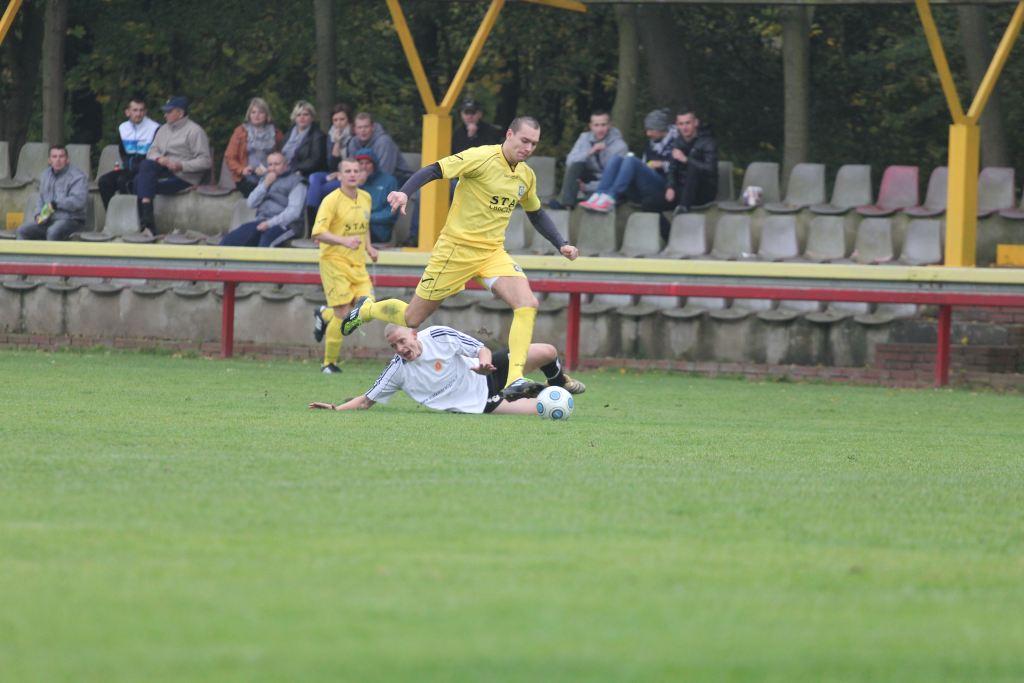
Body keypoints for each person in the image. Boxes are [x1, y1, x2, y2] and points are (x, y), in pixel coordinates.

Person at [340, 116, 581, 402]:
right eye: (524, 141)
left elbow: (536, 212)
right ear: (509, 134)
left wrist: (561, 243)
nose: (528, 148)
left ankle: (515, 378)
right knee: (412, 317)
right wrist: (404, 193)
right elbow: (435, 169)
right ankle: (367, 310)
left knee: (527, 303)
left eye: (534, 144)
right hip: (456, 251)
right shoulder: (480, 158)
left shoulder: (525, 176)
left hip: (492, 252)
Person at [309, 324, 585, 415]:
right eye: (394, 346)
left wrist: (484, 363)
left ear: (414, 334)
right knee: (545, 409)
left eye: (402, 341)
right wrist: (335, 409)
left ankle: (559, 382)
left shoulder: (438, 335)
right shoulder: (397, 370)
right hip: (483, 402)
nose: (401, 348)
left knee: (547, 351)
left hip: (488, 372)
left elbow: (480, 348)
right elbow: (366, 400)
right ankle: (543, 392)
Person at [310, 158, 379, 374]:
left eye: (355, 171)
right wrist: (344, 241)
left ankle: (324, 315)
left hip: (358, 264)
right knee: (342, 313)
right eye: (347, 171)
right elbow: (318, 233)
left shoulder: (366, 197)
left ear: (361, 174)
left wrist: (369, 247)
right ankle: (328, 364)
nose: (352, 174)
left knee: (367, 308)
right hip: (334, 262)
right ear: (339, 175)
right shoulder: (331, 201)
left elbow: (363, 226)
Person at [134, 96, 212, 234]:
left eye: (169, 112)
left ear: (180, 113)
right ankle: (148, 223)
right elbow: (151, 151)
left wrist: (181, 165)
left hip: (184, 175)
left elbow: (205, 161)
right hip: (164, 168)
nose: (165, 115)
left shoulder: (195, 131)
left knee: (139, 183)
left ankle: (146, 225)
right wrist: (159, 159)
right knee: (146, 165)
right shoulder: (163, 129)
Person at [578, 108, 678, 214]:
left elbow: (681, 168)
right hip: (645, 186)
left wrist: (663, 164)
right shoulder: (651, 143)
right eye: (647, 130)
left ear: (661, 129)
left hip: (665, 188)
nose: (648, 134)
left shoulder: (676, 143)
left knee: (631, 160)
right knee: (617, 159)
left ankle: (611, 197)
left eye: (651, 130)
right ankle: (599, 194)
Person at [218, 152, 306, 248]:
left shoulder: (297, 182)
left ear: (286, 165)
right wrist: (265, 185)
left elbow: (293, 212)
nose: (273, 168)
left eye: (277, 164)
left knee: (264, 244)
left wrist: (269, 224)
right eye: (270, 165)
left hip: (286, 226)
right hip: (261, 221)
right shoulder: (266, 179)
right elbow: (251, 203)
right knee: (229, 240)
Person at [548, 110, 627, 210]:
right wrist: (590, 152)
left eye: (603, 125)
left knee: (593, 199)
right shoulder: (584, 138)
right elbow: (570, 161)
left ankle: (581, 201)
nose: (600, 129)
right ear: (591, 126)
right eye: (596, 125)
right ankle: (567, 203)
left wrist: (587, 187)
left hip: (604, 183)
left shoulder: (619, 145)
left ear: (609, 125)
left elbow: (616, 177)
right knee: (577, 164)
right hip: (589, 176)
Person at [97, 97, 160, 209]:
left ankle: (132, 218)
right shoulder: (123, 128)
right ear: (127, 112)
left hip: (145, 169)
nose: (138, 113)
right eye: (135, 110)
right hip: (129, 168)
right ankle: (113, 216)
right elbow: (123, 152)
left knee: (124, 181)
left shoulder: (154, 128)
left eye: (141, 110)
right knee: (104, 182)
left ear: (145, 112)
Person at [16, 145, 88, 241]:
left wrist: (56, 204)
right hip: (47, 220)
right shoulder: (45, 175)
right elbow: (41, 200)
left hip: (71, 220)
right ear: (49, 160)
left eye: (61, 156)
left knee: (53, 231)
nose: (58, 160)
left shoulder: (78, 176)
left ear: (67, 160)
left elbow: (78, 201)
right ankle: (25, 256)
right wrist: (38, 215)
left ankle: (51, 256)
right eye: (54, 157)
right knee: (22, 230)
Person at [224, 97, 283, 197]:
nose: (257, 115)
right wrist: (242, 169)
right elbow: (230, 157)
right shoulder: (240, 132)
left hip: (270, 173)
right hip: (247, 176)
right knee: (256, 189)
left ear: (266, 115)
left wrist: (271, 169)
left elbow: (283, 156)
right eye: (253, 112)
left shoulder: (276, 133)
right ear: (249, 114)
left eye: (261, 112)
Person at [665, 107, 718, 213]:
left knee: (693, 168)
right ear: (677, 125)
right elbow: (672, 169)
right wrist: (670, 187)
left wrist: (686, 160)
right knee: (652, 201)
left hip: (703, 190)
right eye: (681, 124)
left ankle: (683, 209)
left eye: (688, 123)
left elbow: (711, 169)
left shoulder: (708, 142)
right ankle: (665, 228)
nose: (684, 127)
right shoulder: (677, 143)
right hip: (682, 188)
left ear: (696, 123)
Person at [305, 102, 354, 216]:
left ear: (348, 120)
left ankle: (314, 221)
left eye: (342, 119)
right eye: (335, 120)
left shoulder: (354, 136)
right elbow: (331, 164)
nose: (338, 123)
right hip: (334, 172)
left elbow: (354, 162)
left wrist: (341, 173)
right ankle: (312, 218)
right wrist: (337, 142)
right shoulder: (331, 135)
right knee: (314, 177)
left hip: (348, 175)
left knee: (321, 189)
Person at [344, 112, 411, 181]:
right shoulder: (353, 142)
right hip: (367, 178)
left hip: (398, 177)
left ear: (372, 127)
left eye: (366, 127)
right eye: (359, 127)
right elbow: (351, 166)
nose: (363, 130)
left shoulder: (384, 141)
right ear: (354, 129)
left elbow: (385, 171)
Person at [352, 147, 399, 245]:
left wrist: (367, 218)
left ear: (374, 165)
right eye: (361, 163)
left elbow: (392, 211)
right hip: (354, 225)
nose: (364, 167)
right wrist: (357, 186)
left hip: (378, 229)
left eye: (368, 163)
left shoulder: (389, 181)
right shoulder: (352, 182)